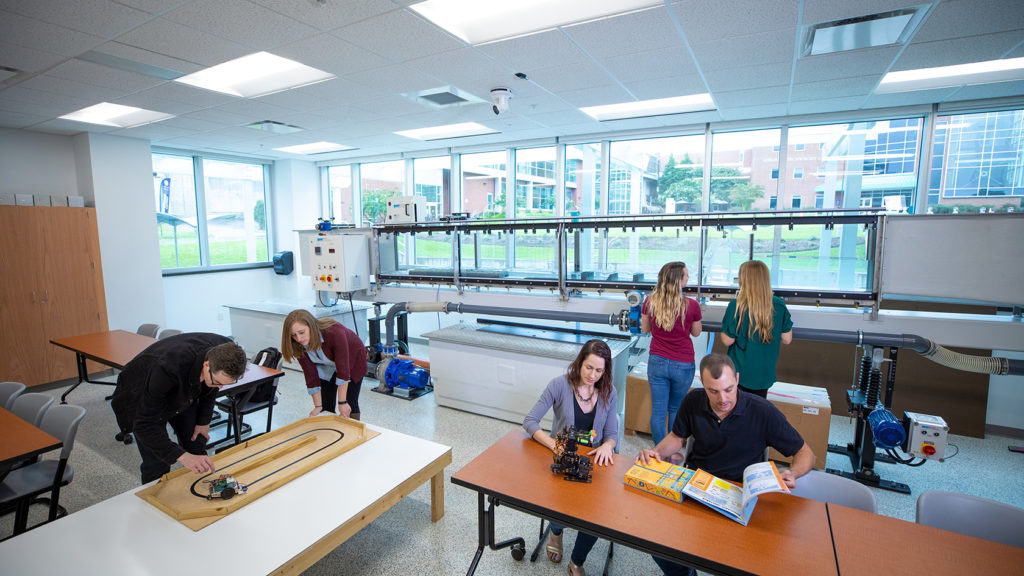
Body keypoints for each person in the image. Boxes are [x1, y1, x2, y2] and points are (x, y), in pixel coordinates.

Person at [636, 353, 815, 576]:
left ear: (737, 379)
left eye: (729, 389)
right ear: (703, 384)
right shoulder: (693, 400)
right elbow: (677, 437)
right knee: (655, 542)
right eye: (713, 391)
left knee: (750, 558)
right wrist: (655, 452)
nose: (723, 398)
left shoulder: (762, 411)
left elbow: (805, 453)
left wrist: (793, 472)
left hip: (739, 495)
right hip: (696, 488)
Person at [523, 339, 620, 576]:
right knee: (559, 501)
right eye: (589, 368)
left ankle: (577, 560)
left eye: (599, 370)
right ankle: (556, 530)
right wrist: (554, 445)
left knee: (598, 514)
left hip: (594, 462)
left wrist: (608, 445)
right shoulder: (559, 385)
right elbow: (530, 421)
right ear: (579, 362)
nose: (593, 375)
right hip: (563, 459)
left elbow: (611, 433)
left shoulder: (609, 391)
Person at [111, 333, 247, 484]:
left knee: (196, 443)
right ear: (206, 365)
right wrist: (183, 457)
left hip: (183, 387)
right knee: (157, 462)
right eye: (218, 382)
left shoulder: (224, 351)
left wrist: (203, 422)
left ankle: (196, 490)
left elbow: (211, 389)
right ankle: (153, 500)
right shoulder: (168, 367)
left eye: (225, 384)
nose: (220, 387)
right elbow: (145, 425)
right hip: (141, 391)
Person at [641, 261, 702, 444]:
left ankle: (660, 455)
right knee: (676, 409)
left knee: (658, 412)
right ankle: (673, 450)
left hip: (657, 361)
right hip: (682, 364)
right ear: (678, 280)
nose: (688, 278)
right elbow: (696, 333)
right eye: (686, 275)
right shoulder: (692, 305)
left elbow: (645, 329)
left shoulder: (650, 301)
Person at [719, 259, 793, 398]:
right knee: (757, 411)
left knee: (737, 410)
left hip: (740, 373)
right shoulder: (778, 305)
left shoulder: (736, 306)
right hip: (764, 374)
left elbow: (727, 340)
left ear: (744, 280)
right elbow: (787, 338)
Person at [282, 309, 367, 420]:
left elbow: (343, 370)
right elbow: (310, 375)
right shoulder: (297, 344)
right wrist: (318, 406)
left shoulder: (335, 333)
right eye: (294, 335)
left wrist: (342, 403)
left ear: (311, 326)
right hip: (327, 365)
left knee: (349, 403)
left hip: (352, 360)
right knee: (325, 405)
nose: (299, 338)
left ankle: (355, 431)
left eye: (302, 332)